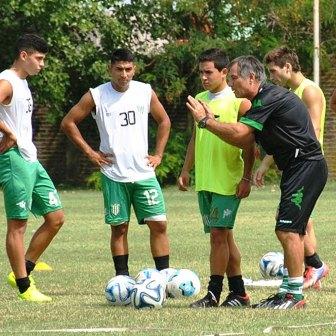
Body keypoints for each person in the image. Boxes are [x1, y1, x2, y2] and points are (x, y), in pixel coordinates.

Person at [186, 55, 328, 309]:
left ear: (252, 78)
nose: (231, 84)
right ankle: (287, 291)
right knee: (286, 228)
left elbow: (241, 134)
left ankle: (294, 295)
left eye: (234, 78)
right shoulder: (261, 100)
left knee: (288, 230)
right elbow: (244, 140)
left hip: (306, 165)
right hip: (297, 167)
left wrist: (207, 122)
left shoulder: (267, 97)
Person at [61, 48, 171, 276]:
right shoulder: (97, 95)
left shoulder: (144, 91)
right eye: (119, 69)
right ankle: (122, 278)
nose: (124, 74)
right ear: (110, 69)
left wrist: (158, 154)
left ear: (134, 69)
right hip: (113, 174)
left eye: (128, 69)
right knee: (119, 228)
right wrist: (91, 153)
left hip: (143, 172)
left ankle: (165, 277)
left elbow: (164, 121)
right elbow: (68, 122)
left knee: (159, 224)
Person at [178, 48, 254, 308]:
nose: (204, 77)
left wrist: (246, 177)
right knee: (224, 236)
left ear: (224, 72)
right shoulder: (198, 99)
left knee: (218, 236)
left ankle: (213, 293)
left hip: (228, 179)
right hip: (206, 180)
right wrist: (186, 169)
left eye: (209, 72)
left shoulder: (238, 101)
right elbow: (194, 139)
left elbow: (249, 144)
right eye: (201, 72)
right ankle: (239, 293)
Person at [256, 47, 328, 290]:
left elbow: (313, 130)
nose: (271, 76)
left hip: (306, 164)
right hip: (295, 164)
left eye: (273, 71)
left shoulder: (308, 91)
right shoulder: (288, 93)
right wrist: (266, 162)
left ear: (287, 67)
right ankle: (313, 269)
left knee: (292, 222)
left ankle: (315, 267)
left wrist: (300, 161)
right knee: (301, 221)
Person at [0, 33, 65, 302]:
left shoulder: (24, 83)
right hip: (13, 158)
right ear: (24, 56)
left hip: (30, 158)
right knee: (18, 225)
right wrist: (8, 133)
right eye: (39, 59)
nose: (42, 64)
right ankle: (25, 288)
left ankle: (22, 269)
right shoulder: (7, 81)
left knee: (56, 217)